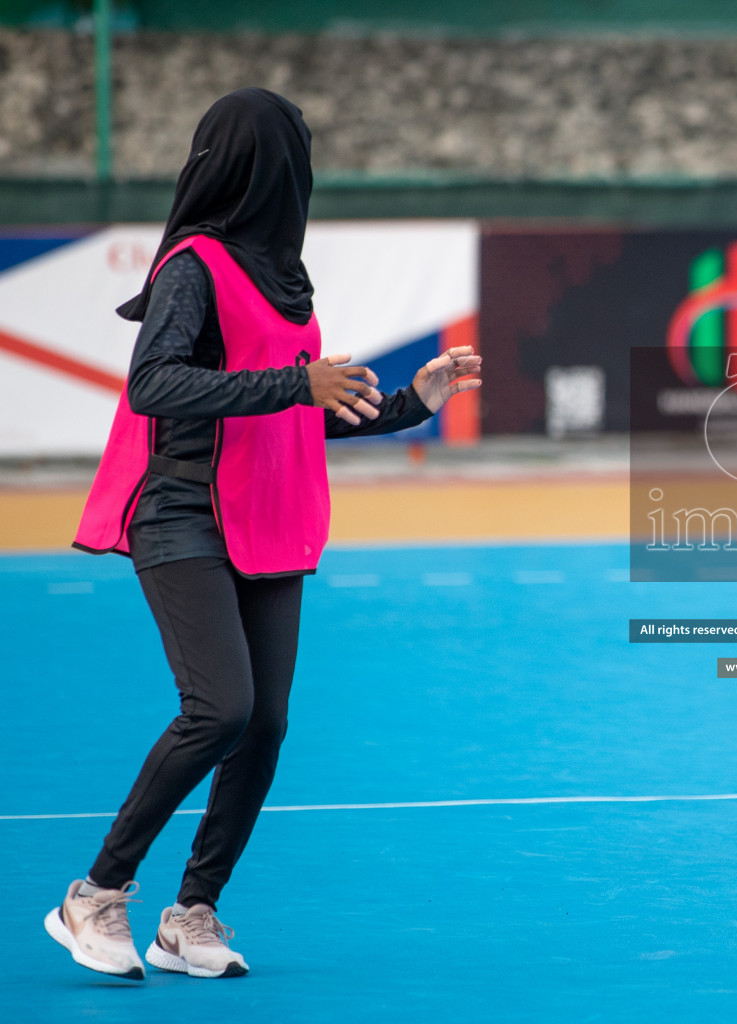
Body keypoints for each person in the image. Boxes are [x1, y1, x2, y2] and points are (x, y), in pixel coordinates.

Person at [46, 88, 482, 980]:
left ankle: (192, 914)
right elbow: (153, 385)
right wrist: (293, 386)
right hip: (182, 513)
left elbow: (299, 409)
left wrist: (411, 403)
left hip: (267, 519)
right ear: (266, 169)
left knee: (267, 724)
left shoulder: (287, 280)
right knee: (222, 708)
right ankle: (94, 893)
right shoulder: (191, 267)